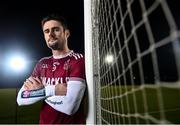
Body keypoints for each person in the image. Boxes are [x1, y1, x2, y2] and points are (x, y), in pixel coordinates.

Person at [16, 14, 86, 124]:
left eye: (56, 30)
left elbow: (70, 107)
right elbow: (21, 98)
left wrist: (41, 91)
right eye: (47, 31)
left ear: (66, 33)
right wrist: (51, 90)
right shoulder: (42, 63)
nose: (51, 34)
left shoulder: (77, 60)